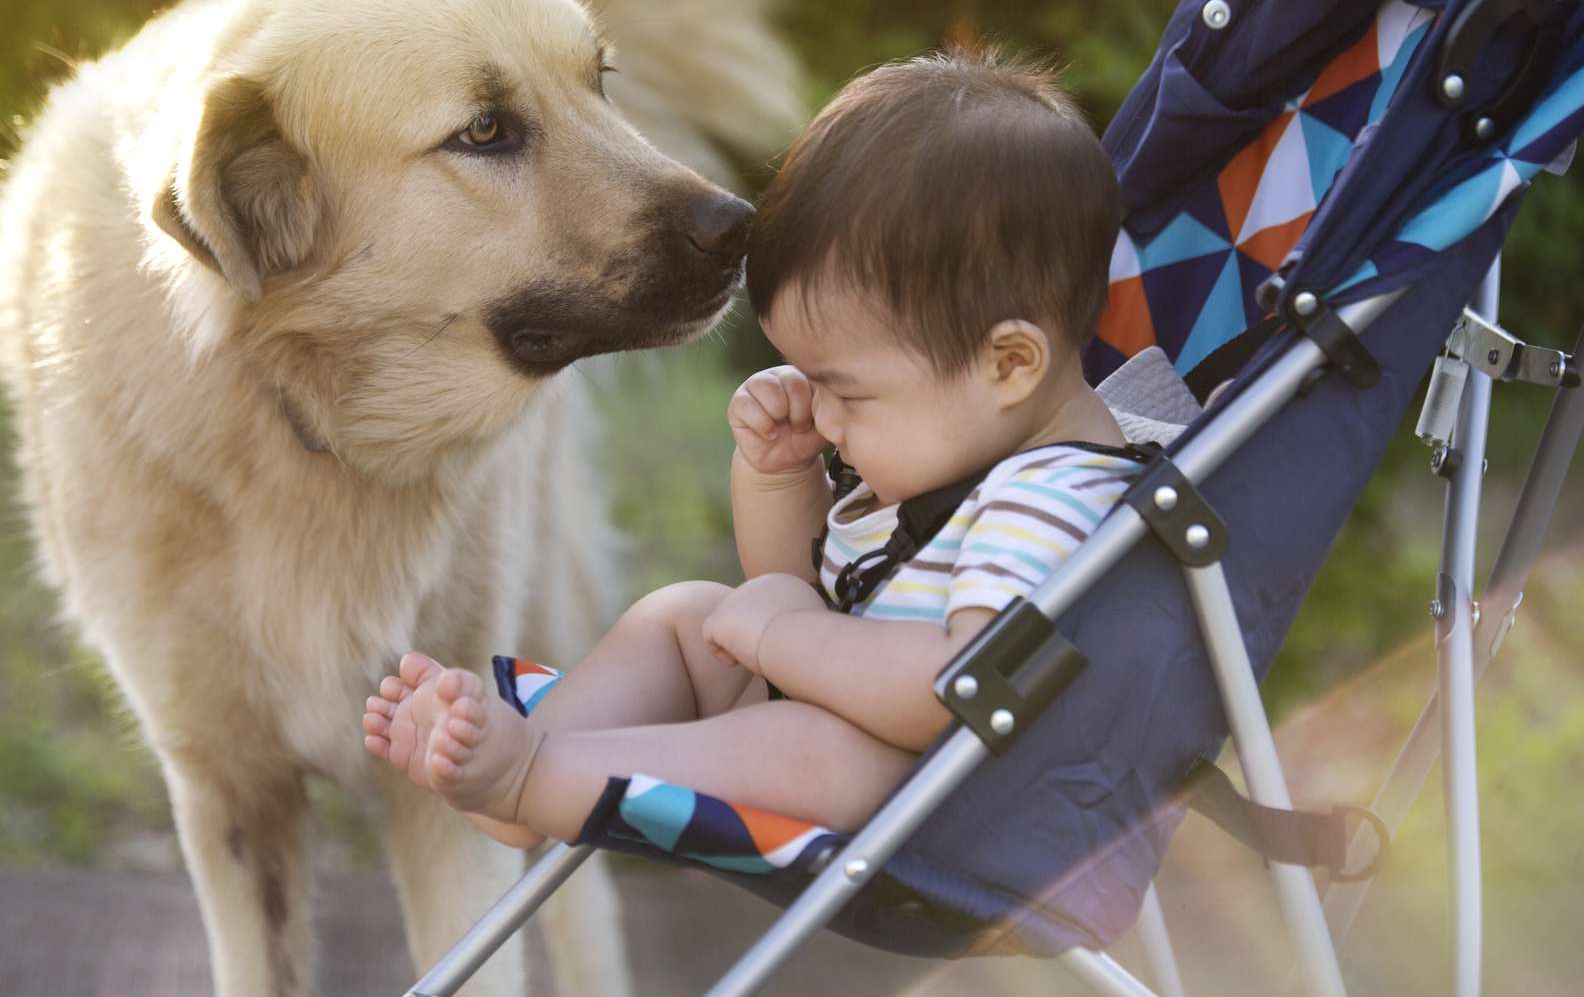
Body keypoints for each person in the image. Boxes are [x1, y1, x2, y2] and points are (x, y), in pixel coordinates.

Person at [362, 48, 1148, 846]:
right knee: (686, 616)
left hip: (955, 801)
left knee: (815, 748)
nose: (826, 417)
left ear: (1008, 364)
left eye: (846, 390)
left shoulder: (1044, 497)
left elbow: (959, 688)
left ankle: (531, 775)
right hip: (830, 719)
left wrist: (780, 634)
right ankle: (533, 759)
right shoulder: (964, 440)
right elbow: (790, 585)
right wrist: (781, 476)